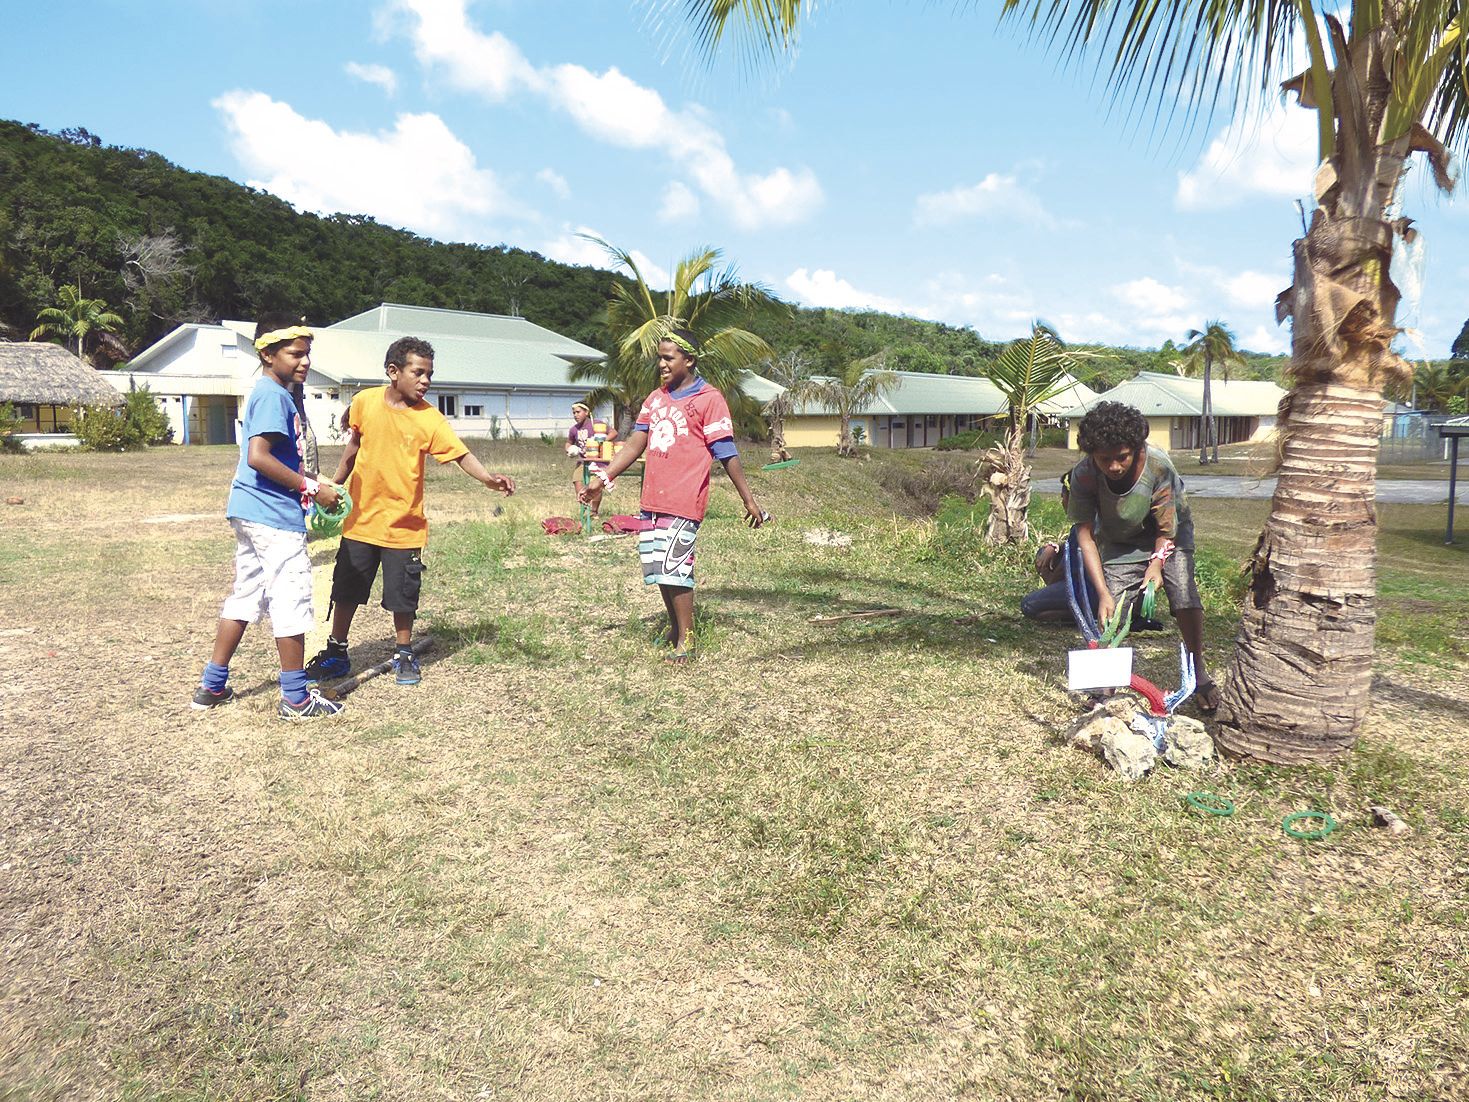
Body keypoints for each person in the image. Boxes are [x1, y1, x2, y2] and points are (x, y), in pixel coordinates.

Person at [305, 336, 516, 686]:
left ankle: (404, 652)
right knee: (346, 589)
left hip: (404, 526)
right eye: (418, 373)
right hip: (360, 521)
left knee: (403, 594)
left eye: (429, 374)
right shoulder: (365, 402)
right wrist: (336, 487)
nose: (426, 381)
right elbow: (353, 447)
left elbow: (461, 454)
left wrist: (488, 479)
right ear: (393, 372)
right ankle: (337, 652)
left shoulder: (429, 420)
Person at [579, 328, 767, 663]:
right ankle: (674, 630)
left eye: (669, 358)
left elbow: (726, 451)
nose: (662, 364)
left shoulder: (709, 399)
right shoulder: (655, 399)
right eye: (660, 358)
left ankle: (688, 641)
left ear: (689, 360)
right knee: (659, 568)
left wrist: (748, 498)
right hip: (653, 497)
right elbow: (637, 443)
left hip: (684, 497)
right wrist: (603, 476)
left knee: (676, 568)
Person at [191, 314, 344, 719]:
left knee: (246, 595)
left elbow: (279, 455)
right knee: (291, 597)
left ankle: (212, 684)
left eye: (308, 354)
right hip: (272, 516)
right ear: (267, 353)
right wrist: (311, 489)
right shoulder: (272, 395)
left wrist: (315, 480)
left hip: (249, 510)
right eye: (296, 354)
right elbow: (259, 458)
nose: (305, 362)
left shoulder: (275, 392)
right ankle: (295, 698)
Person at [1066, 400, 1218, 712]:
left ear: (1136, 448)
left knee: (1183, 594)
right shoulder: (1083, 476)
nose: (1114, 466)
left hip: (1169, 533)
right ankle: (1104, 684)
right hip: (1119, 540)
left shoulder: (1159, 466)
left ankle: (1198, 670)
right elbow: (1086, 536)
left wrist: (1156, 565)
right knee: (1112, 609)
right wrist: (1104, 593)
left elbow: (1166, 528)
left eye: (1121, 457)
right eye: (1104, 459)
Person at [566, 401, 616, 515]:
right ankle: (584, 509)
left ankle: (594, 511)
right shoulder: (574, 429)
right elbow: (568, 442)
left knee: (595, 484)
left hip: (599, 461)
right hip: (583, 461)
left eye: (578, 412)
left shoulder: (597, 424)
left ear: (587, 412)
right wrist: (570, 449)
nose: (575, 415)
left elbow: (614, 432)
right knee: (577, 480)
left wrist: (602, 441)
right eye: (574, 413)